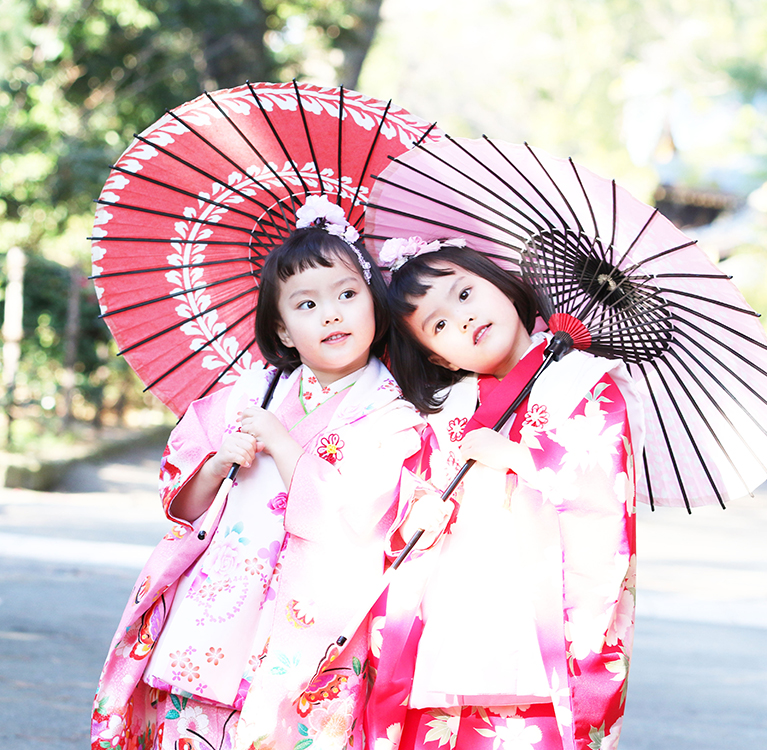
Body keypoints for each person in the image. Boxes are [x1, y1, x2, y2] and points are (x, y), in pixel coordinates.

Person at [90, 196, 427, 750]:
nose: (332, 313)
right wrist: (220, 460)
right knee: (193, 730)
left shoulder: (392, 414)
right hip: (222, 600)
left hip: (313, 615)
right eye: (307, 304)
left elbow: (354, 521)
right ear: (285, 331)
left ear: (375, 305)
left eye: (347, 294)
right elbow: (184, 503)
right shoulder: (251, 392)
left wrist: (278, 439)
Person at [366, 238, 644, 750]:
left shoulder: (586, 383)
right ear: (435, 355)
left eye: (465, 294)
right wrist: (416, 517)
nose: (463, 320)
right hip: (449, 628)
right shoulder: (443, 408)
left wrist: (519, 458)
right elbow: (407, 497)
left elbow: (603, 499)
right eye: (439, 325)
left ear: (502, 285)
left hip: (536, 637)